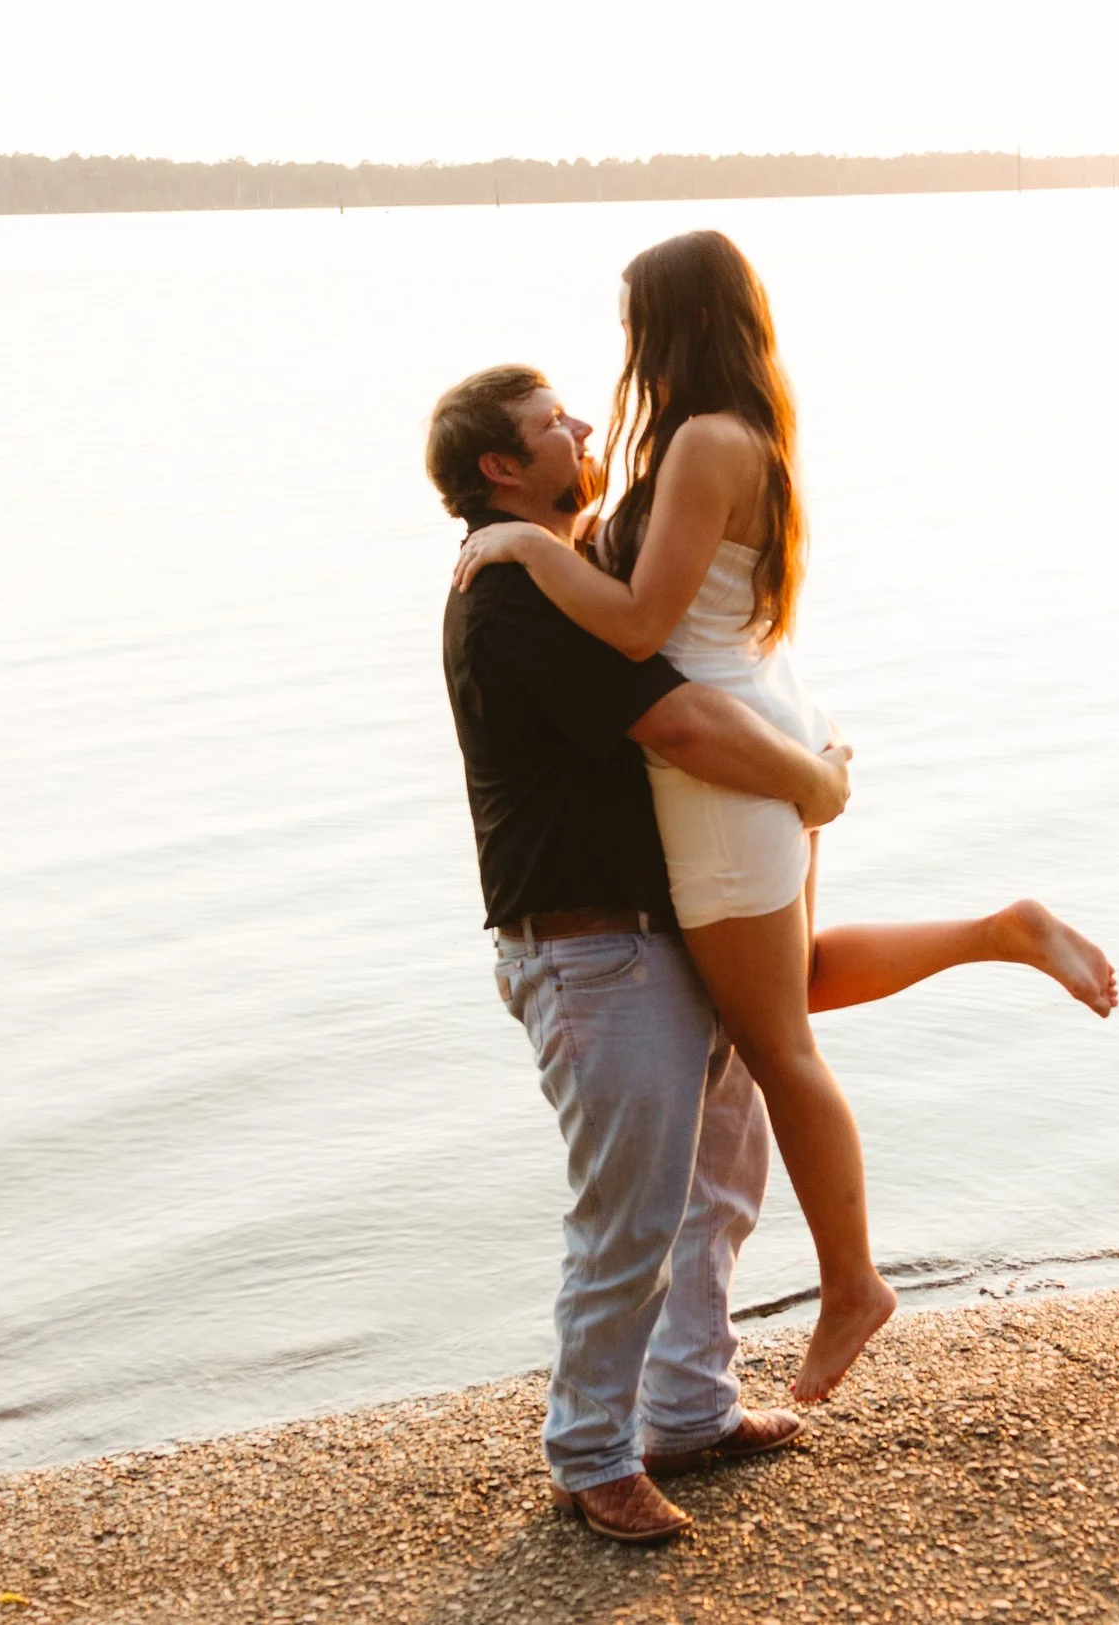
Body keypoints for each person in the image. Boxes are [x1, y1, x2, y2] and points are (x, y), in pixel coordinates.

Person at [451, 230, 1118, 1411]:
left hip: (724, 761)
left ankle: (852, 1281)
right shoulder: (741, 430)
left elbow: (638, 623)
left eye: (634, 324)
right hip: (769, 718)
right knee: (792, 979)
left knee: (777, 1042)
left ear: (678, 321)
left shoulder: (703, 440)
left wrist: (520, 545)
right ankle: (1000, 931)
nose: (623, 353)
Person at [432, 362, 845, 1543]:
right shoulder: (510, 595)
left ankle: (689, 1407)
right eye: (548, 423)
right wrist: (813, 781)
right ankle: (590, 1453)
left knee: (717, 1186)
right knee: (630, 1213)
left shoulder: (575, 571)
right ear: (501, 467)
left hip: (668, 928)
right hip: (589, 946)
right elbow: (679, 717)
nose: (580, 425)